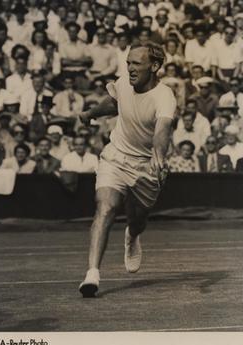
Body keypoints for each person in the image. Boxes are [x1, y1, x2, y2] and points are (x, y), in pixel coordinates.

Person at [77, 42, 177, 297]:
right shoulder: (124, 82)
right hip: (115, 157)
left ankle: (132, 235)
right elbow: (113, 104)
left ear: (154, 67)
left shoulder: (165, 96)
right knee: (106, 208)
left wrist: (158, 156)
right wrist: (90, 113)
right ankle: (92, 274)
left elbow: (162, 130)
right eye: (128, 63)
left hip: (146, 166)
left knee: (138, 221)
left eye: (136, 64)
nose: (130, 68)